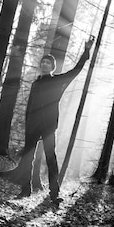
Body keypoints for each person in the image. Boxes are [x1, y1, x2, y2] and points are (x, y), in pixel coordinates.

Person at [10, 36, 94, 205]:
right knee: (28, 158)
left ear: (52, 67)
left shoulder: (58, 81)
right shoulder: (35, 84)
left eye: (48, 63)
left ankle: (54, 193)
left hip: (48, 127)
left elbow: (76, 71)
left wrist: (86, 51)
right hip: (32, 126)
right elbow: (30, 106)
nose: (44, 65)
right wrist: (27, 123)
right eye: (42, 63)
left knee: (51, 158)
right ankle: (25, 189)